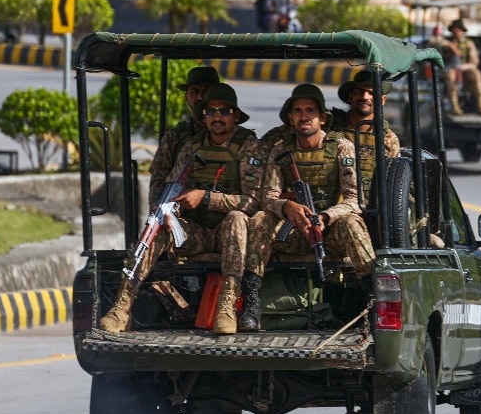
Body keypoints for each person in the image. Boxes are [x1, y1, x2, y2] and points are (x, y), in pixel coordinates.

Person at [99, 84, 269, 334]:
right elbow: (173, 185)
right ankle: (122, 307)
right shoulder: (192, 147)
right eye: (210, 112)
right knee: (154, 230)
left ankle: (226, 306)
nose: (217, 117)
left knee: (236, 218)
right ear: (203, 117)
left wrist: (207, 197)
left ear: (235, 115)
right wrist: (169, 212)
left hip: (231, 235)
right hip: (196, 232)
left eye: (223, 111)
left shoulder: (250, 147)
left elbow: (253, 202)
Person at [249, 84, 376, 284]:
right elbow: (268, 197)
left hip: (328, 231)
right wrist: (287, 207)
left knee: (352, 223)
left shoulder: (341, 148)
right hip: (291, 230)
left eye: (311, 111)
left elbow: (355, 200)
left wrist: (326, 216)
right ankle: (251, 292)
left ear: (322, 118)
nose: (304, 116)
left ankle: (372, 290)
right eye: (298, 111)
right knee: (259, 219)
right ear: (291, 118)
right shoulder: (281, 150)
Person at [147, 65, 220, 203]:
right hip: (183, 212)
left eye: (205, 91)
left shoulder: (233, 135)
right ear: (186, 97)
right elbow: (159, 179)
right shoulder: (175, 137)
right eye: (194, 91)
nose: (200, 97)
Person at [333, 70, 401, 198]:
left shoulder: (388, 139)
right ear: (350, 96)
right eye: (359, 92)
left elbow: (392, 183)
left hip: (371, 208)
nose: (365, 97)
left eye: (371, 93)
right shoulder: (330, 129)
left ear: (382, 100)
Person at [438, 19, 481, 115]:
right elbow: (435, 42)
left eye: (459, 30)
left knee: (477, 75)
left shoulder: (468, 43)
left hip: (464, 69)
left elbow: (474, 62)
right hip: (450, 69)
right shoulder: (447, 42)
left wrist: (461, 67)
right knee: (450, 76)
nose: (457, 32)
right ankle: (455, 106)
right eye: (455, 30)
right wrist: (449, 45)